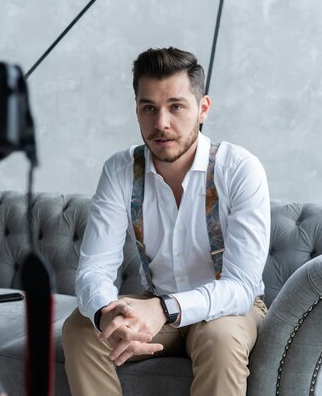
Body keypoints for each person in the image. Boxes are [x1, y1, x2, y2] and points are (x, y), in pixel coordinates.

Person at [62, 47, 270, 396]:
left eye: (176, 106)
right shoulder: (120, 170)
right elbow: (94, 268)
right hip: (156, 301)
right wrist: (105, 315)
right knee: (81, 330)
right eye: (149, 108)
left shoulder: (239, 169)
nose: (161, 123)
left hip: (228, 309)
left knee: (219, 340)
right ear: (137, 110)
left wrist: (165, 308)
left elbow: (242, 286)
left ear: (202, 108)